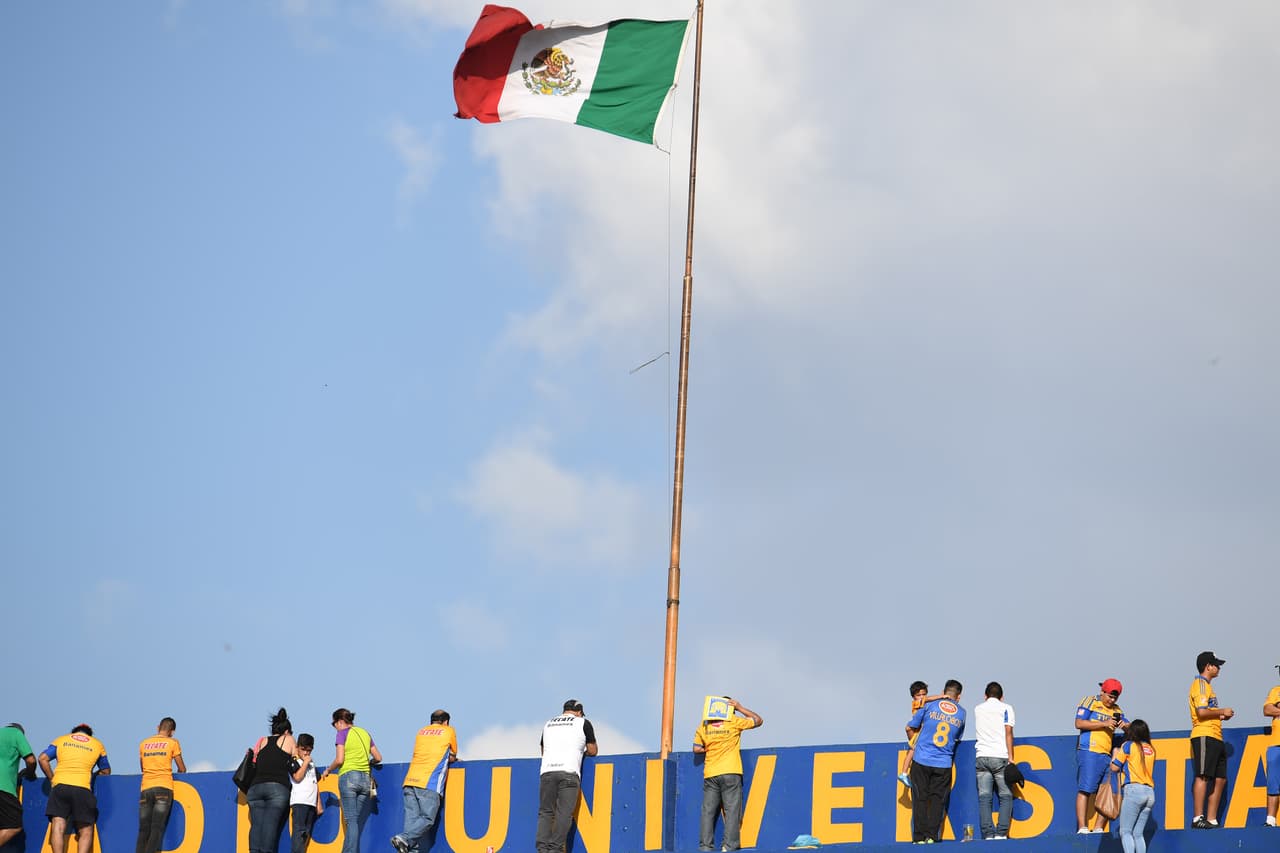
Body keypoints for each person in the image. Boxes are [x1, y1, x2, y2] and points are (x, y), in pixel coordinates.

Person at [692, 697, 763, 852]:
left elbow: (697, 748)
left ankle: (705, 847)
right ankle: (729, 846)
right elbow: (758, 720)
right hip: (731, 771)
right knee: (732, 811)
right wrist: (740, 707)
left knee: (708, 812)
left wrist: (711, 748)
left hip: (711, 773)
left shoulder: (704, 726)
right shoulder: (733, 721)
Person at [390, 709, 458, 853]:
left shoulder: (421, 731)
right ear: (446, 722)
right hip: (429, 782)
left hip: (410, 781)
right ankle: (403, 838)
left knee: (412, 824)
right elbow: (451, 755)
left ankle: (406, 843)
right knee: (427, 819)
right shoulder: (448, 731)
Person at [535, 699, 598, 853]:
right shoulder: (583, 722)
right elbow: (592, 750)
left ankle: (542, 849)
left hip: (547, 772)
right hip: (569, 772)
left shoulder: (548, 723)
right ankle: (555, 848)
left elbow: (543, 751)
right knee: (564, 813)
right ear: (579, 712)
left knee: (546, 812)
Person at [907, 679, 965, 844]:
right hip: (943, 763)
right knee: (937, 801)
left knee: (920, 799)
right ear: (958, 697)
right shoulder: (962, 713)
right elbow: (958, 737)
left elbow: (912, 725)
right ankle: (932, 837)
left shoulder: (929, 705)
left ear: (944, 692)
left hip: (921, 760)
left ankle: (918, 838)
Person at [38, 723, 111, 853]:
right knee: (86, 830)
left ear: (73, 732)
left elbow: (42, 759)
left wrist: (52, 779)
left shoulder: (61, 740)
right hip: (83, 788)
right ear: (89, 734)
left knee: (58, 826)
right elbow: (106, 771)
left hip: (60, 786)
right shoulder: (97, 744)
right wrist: (92, 775)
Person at [321, 707, 382, 853]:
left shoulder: (342, 734)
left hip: (349, 777)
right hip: (365, 780)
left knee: (351, 821)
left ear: (340, 722)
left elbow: (340, 759)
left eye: (334, 724)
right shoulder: (365, 733)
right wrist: (368, 763)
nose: (335, 728)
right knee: (354, 821)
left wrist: (328, 770)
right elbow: (379, 758)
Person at [1074, 678, 1127, 833]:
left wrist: (1125, 726)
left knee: (1107, 791)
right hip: (1089, 751)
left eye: (1115, 697)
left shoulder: (1117, 710)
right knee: (1085, 789)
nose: (1111, 700)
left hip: (1107, 754)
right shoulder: (1089, 701)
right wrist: (1104, 723)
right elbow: (1079, 723)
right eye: (1109, 696)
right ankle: (1082, 827)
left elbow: (1131, 728)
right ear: (1102, 691)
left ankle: (1098, 828)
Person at [1189, 651, 1234, 828]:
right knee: (1203, 775)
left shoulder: (1208, 687)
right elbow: (1201, 712)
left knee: (1221, 778)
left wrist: (1220, 717)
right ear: (1208, 666)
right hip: (1204, 734)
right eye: (1216, 664)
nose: (1219, 667)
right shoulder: (1200, 684)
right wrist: (1222, 711)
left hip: (1215, 734)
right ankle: (1198, 818)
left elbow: (1208, 712)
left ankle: (1212, 818)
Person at [247, 708, 298, 853]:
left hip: (255, 787)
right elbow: (296, 762)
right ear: (287, 731)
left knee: (256, 825)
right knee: (270, 825)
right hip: (277, 787)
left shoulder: (262, 741)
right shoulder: (288, 739)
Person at [973, 681, 1016, 840]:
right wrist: (1011, 757)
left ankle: (988, 834)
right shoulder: (1006, 708)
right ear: (1002, 697)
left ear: (985, 696)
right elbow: (1008, 733)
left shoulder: (978, 709)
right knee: (1005, 796)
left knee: (985, 797)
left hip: (981, 756)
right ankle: (1001, 833)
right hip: (1000, 755)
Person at [136, 716, 186, 853]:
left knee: (143, 829)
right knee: (157, 827)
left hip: (145, 788)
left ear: (158, 727)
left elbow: (142, 767)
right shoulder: (173, 742)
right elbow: (181, 768)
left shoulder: (143, 743)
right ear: (172, 731)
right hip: (164, 788)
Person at [1111, 719, 1156, 853]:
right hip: (1149, 793)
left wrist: (1115, 754)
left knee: (1125, 832)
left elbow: (1114, 767)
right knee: (1138, 834)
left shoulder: (1128, 745)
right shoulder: (1150, 748)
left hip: (1134, 790)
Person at [899, 681, 943, 788]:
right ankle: (904, 773)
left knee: (913, 750)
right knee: (913, 749)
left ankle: (908, 769)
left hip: (921, 732)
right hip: (917, 732)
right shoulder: (916, 703)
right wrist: (941, 696)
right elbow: (927, 700)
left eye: (923, 694)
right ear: (913, 697)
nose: (921, 697)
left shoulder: (925, 705)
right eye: (918, 695)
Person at [0, 723, 37, 849]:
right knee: (14, 825)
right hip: (3, 787)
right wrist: (30, 773)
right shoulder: (16, 734)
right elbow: (31, 760)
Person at [289, 733, 323, 853]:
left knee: (305, 835)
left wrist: (319, 803)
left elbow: (315, 782)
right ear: (298, 747)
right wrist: (305, 763)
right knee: (299, 833)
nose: (306, 753)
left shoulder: (312, 764)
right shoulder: (294, 761)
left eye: (309, 750)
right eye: (303, 750)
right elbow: (297, 777)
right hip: (300, 801)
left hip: (311, 803)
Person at [1264, 672, 1280, 827]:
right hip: (1276, 743)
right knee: (1273, 783)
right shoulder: (1276, 691)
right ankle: (1271, 820)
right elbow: (1267, 710)